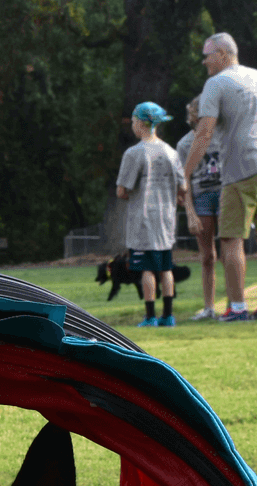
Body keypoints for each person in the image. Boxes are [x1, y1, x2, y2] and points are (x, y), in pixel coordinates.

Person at [180, 31, 257, 321]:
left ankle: (237, 307)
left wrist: (184, 173)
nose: (204, 62)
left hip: (242, 167)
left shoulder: (216, 83)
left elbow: (204, 132)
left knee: (231, 239)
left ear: (222, 54)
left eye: (206, 56)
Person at [114, 101, 185, 328]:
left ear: (140, 123)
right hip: (166, 219)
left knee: (146, 268)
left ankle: (150, 316)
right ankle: (169, 315)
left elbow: (122, 190)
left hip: (143, 219)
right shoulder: (170, 152)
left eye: (134, 120)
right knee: (166, 267)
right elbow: (183, 188)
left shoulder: (135, 153)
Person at [175, 97, 222, 321]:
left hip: (225, 194)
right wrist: (190, 214)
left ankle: (236, 305)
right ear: (193, 116)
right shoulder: (185, 144)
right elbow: (184, 183)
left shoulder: (222, 135)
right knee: (207, 256)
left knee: (232, 250)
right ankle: (209, 307)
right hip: (201, 197)